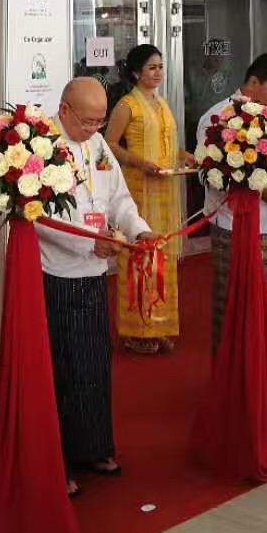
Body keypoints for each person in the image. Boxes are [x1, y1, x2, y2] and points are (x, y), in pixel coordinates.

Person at [38, 78, 152, 498]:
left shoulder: (99, 145)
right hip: (58, 273)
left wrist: (138, 231)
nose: (93, 129)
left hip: (94, 271)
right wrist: (90, 243)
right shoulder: (40, 148)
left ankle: (95, 447)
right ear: (64, 110)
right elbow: (38, 218)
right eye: (87, 121)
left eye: (100, 122)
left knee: (95, 365)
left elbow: (119, 198)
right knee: (63, 371)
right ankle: (60, 461)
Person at [198, 53, 267, 387]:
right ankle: (240, 385)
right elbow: (209, 175)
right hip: (236, 228)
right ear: (254, 82)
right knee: (241, 309)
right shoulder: (219, 117)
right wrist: (262, 191)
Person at [105, 44, 194, 354]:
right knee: (139, 256)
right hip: (139, 188)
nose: (158, 73)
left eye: (160, 67)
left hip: (164, 188)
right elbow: (109, 145)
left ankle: (160, 326)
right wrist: (140, 163)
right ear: (135, 72)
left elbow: (168, 145)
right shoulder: (127, 105)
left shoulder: (161, 103)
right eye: (152, 67)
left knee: (163, 256)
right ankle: (137, 330)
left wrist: (184, 156)